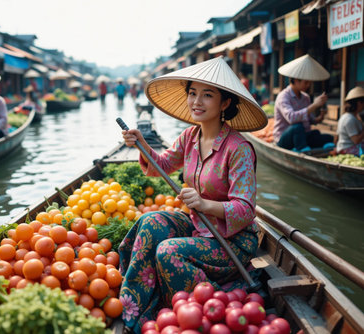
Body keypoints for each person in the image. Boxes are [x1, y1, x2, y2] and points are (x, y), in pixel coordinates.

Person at [118, 57, 267, 333]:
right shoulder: (189, 137)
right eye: (192, 93)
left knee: (168, 251)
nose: (196, 102)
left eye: (207, 95)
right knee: (150, 222)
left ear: (225, 103)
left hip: (232, 240)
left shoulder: (239, 148)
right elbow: (161, 166)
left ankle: (192, 314)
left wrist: (204, 203)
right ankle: (136, 309)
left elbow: (245, 209)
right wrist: (141, 144)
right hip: (200, 227)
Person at [273, 54, 334, 152]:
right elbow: (291, 118)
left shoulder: (305, 97)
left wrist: (319, 118)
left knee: (323, 136)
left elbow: (309, 120)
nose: (308, 85)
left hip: (302, 136)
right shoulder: (283, 96)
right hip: (284, 139)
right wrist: (314, 105)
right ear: (296, 80)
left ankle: (304, 146)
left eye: (309, 82)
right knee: (298, 127)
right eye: (306, 82)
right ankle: (303, 149)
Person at [336, 86, 364, 155]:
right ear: (359, 103)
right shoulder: (349, 119)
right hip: (347, 149)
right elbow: (356, 140)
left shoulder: (353, 117)